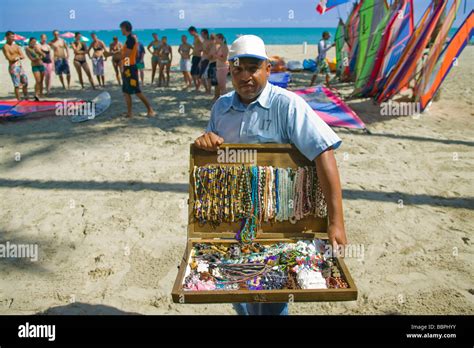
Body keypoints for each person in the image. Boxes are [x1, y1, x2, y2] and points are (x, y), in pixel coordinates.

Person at [194, 35, 346, 316]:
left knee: (273, 298)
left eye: (252, 68)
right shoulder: (221, 108)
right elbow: (213, 155)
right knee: (239, 289)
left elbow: (324, 152)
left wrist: (336, 222)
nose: (245, 76)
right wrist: (207, 140)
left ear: (267, 69)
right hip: (233, 218)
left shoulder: (288, 105)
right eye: (237, 69)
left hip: (282, 218)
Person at [120, 20, 155, 118]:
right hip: (128, 68)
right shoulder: (128, 39)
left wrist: (115, 55)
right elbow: (127, 56)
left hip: (131, 68)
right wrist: (124, 66)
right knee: (126, 91)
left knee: (137, 91)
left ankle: (150, 109)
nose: (121, 30)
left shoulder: (131, 39)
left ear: (125, 28)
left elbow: (127, 54)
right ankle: (130, 113)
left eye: (121, 28)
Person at [2, 31, 28, 100]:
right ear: (7, 37)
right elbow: (9, 58)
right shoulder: (5, 47)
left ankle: (26, 98)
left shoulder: (16, 46)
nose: (13, 38)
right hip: (13, 67)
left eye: (13, 37)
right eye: (11, 37)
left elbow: (23, 56)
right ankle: (18, 99)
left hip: (20, 66)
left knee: (25, 82)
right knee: (17, 85)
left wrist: (16, 57)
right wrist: (17, 57)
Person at [188, 26, 203, 91]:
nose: (190, 34)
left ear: (193, 31)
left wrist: (201, 50)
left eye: (190, 32)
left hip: (198, 57)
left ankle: (198, 86)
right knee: (193, 72)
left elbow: (203, 44)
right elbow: (196, 47)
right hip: (194, 56)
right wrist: (191, 54)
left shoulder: (198, 36)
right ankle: (197, 86)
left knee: (196, 73)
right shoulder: (195, 37)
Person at [215, 33, 229, 98]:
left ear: (220, 39)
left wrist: (216, 56)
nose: (215, 40)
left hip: (223, 68)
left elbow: (224, 59)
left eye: (216, 39)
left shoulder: (224, 47)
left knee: (222, 86)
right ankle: (224, 100)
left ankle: (226, 101)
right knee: (221, 86)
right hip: (219, 68)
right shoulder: (220, 46)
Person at [199, 29, 212, 93]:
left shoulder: (210, 42)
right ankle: (207, 89)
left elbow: (211, 53)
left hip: (207, 60)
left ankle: (208, 90)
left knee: (207, 77)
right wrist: (200, 61)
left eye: (202, 34)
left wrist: (204, 50)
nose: (201, 35)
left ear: (206, 34)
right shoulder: (204, 42)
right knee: (201, 76)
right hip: (203, 59)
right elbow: (203, 53)